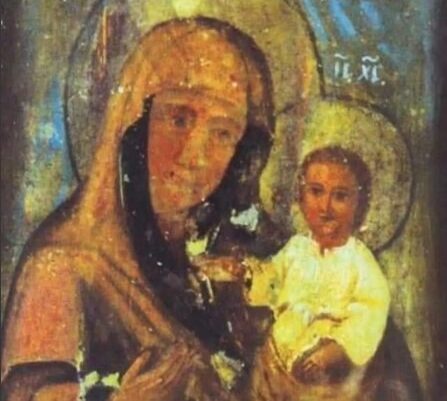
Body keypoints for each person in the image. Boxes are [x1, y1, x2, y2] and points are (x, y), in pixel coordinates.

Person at [1, 18, 277, 401]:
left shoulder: (227, 267)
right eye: (179, 119)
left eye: (222, 133)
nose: (195, 156)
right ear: (132, 122)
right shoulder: (63, 268)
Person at [197, 146, 390, 400]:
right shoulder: (297, 248)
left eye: (340, 196)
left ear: (359, 205)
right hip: (276, 366)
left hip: (328, 381)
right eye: (316, 192)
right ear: (301, 198)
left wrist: (336, 350)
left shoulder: (360, 263)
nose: (326, 206)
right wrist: (245, 272)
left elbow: (369, 316)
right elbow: (273, 281)